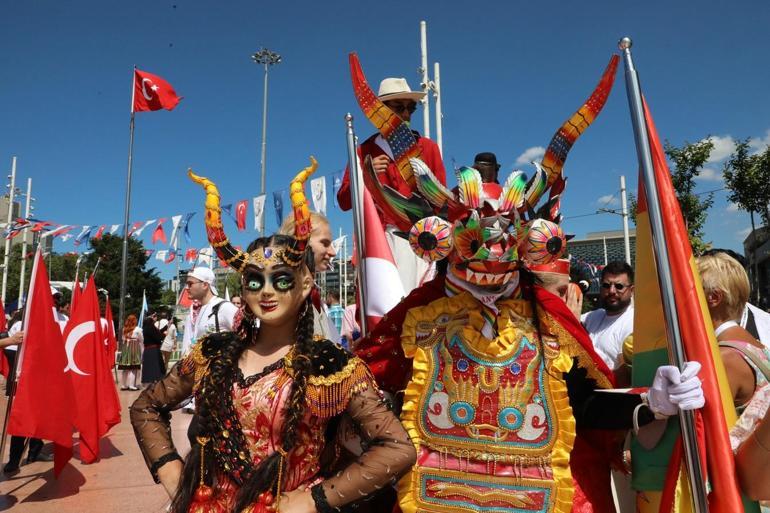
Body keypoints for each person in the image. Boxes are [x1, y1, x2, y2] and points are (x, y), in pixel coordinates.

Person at [352, 55, 706, 513]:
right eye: (477, 239)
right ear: (446, 240)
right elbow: (364, 384)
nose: (492, 254)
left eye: (506, 239)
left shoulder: (547, 322)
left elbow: (583, 405)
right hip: (436, 495)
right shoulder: (419, 317)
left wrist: (651, 402)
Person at [131, 164, 416, 513]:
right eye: (254, 281)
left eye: (281, 279)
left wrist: (317, 499)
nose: (266, 292)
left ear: (305, 285)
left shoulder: (330, 364)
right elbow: (145, 407)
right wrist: (171, 470)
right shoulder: (213, 352)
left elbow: (397, 448)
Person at [338, 73, 447, 294]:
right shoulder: (363, 151)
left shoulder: (428, 147)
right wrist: (365, 177)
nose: (406, 114)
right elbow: (344, 200)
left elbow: (442, 200)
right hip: (378, 237)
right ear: (380, 111)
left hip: (418, 237)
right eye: (399, 107)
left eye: (411, 108)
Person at [696, 253, 770, 508]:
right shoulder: (759, 347)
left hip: (740, 497)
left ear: (713, 298)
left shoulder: (724, 358)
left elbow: (703, 437)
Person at [278, 205, 340, 342]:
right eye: (325, 243)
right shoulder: (284, 293)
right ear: (301, 241)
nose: (333, 252)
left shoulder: (312, 293)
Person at [581, 261, 635, 374]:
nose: (611, 291)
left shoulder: (633, 322)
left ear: (632, 291)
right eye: (606, 285)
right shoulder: (592, 316)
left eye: (619, 286)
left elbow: (624, 377)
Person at [180, 267, 238, 356]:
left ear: (205, 285)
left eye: (190, 284)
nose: (186, 288)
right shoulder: (200, 309)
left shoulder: (224, 307)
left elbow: (245, 336)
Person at [2, 310, 31, 475]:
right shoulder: (21, 325)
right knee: (20, 420)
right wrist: (11, 340)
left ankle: (35, 451)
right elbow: (11, 355)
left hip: (38, 381)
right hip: (20, 383)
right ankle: (14, 460)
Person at [117, 314, 143, 391]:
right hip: (134, 348)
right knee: (133, 368)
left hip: (126, 348)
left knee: (125, 368)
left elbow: (122, 339)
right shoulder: (138, 329)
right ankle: (131, 385)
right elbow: (141, 340)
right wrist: (142, 351)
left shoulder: (124, 329)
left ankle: (124, 385)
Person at [141, 313, 166, 383]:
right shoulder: (151, 328)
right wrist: (164, 335)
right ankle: (156, 380)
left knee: (149, 367)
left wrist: (167, 326)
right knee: (155, 367)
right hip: (153, 350)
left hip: (148, 350)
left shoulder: (146, 328)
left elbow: (157, 333)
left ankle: (150, 380)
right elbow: (158, 337)